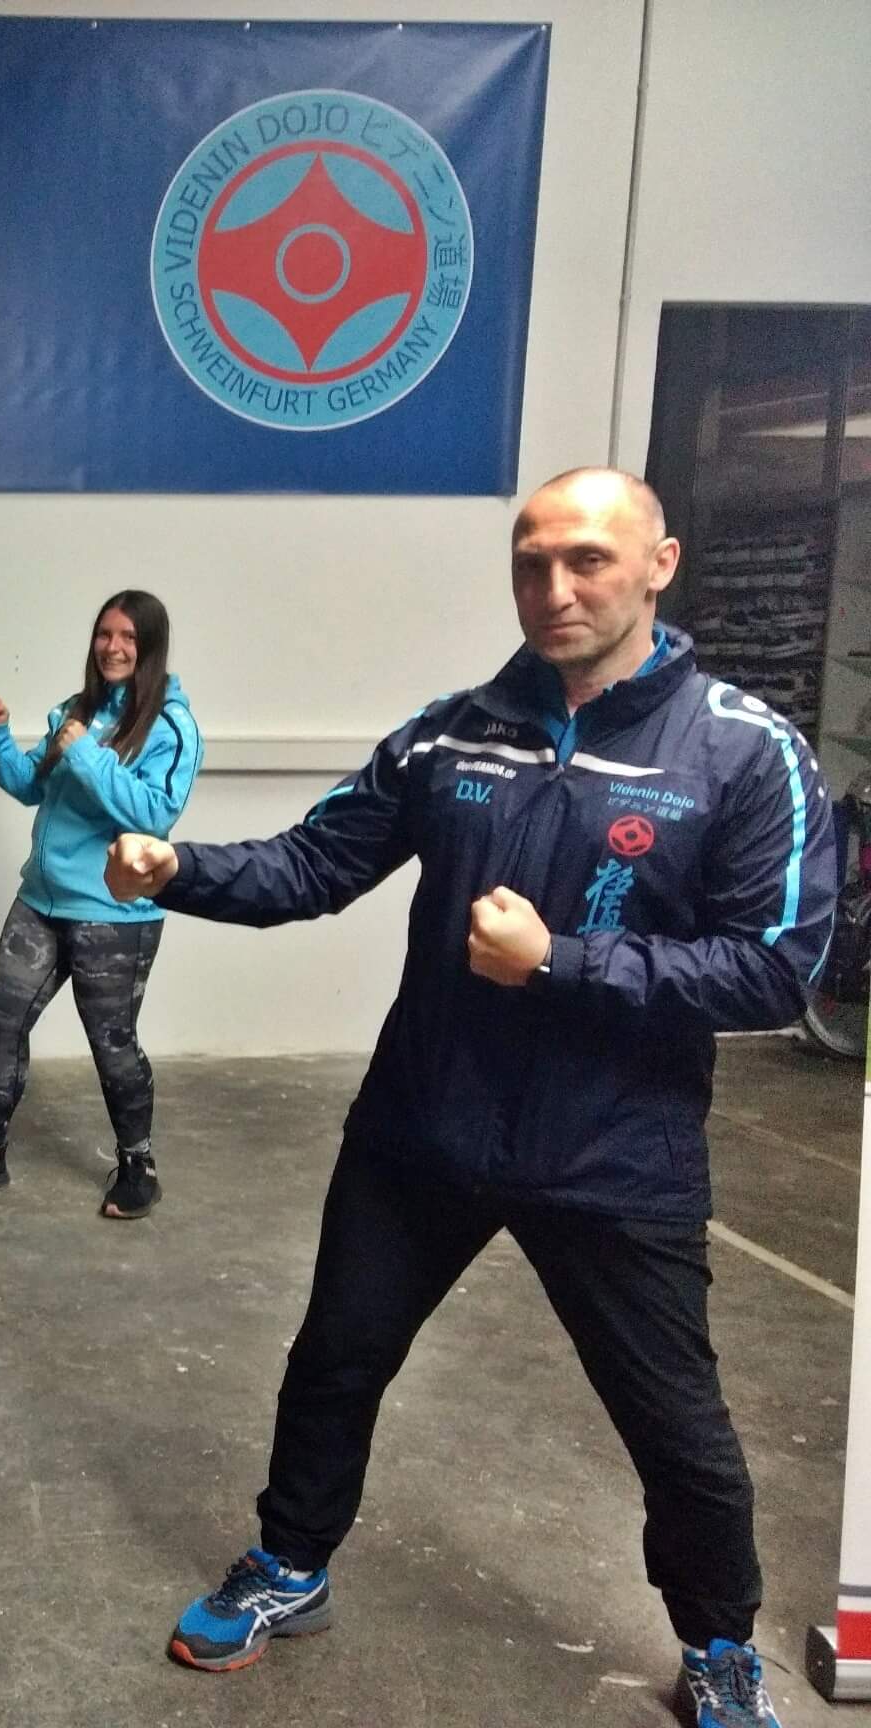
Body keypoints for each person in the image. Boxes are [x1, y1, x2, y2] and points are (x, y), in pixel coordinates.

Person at [108, 471, 834, 1728]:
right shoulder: (451, 734)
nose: (554, 588)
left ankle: (719, 1645)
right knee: (335, 1360)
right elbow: (313, 864)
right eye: (531, 561)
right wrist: (179, 868)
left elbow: (773, 968)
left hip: (615, 1154)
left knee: (678, 1430)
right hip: (423, 1127)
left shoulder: (742, 750)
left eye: (588, 560)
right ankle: (291, 1565)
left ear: (659, 565)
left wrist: (562, 962)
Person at [0, 590, 203, 1218]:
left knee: (112, 1045)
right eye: (104, 634)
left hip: (114, 915)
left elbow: (154, 814)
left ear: (150, 647)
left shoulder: (171, 728)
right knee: (2, 1022)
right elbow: (29, 785)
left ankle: (139, 1166)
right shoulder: (76, 712)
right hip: (41, 902)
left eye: (128, 637)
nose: (112, 647)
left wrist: (86, 753)